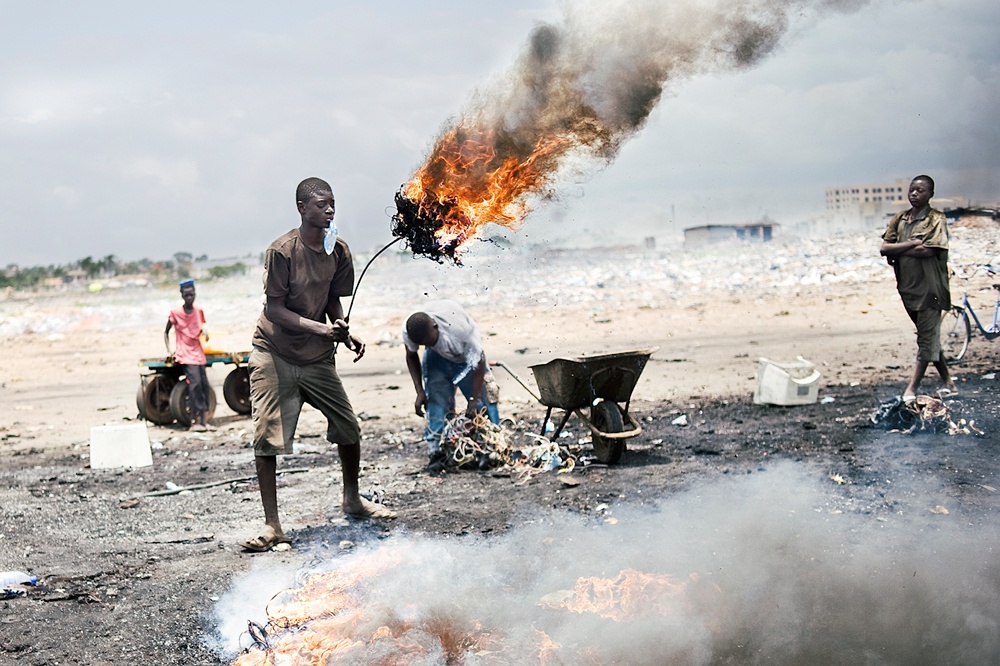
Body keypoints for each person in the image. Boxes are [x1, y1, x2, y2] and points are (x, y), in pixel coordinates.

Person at [241, 177, 395, 553]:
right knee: (267, 439)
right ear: (302, 208)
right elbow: (274, 310)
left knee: (349, 427)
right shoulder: (282, 251)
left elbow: (331, 301)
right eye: (321, 204)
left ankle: (352, 500)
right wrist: (322, 330)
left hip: (317, 356)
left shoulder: (338, 249)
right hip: (274, 352)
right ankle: (272, 524)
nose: (329, 210)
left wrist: (341, 328)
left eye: (332, 204)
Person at [879, 174, 958, 401]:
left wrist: (899, 249)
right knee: (929, 336)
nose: (914, 193)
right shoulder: (900, 219)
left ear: (930, 194)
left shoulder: (936, 219)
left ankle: (911, 389)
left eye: (920, 190)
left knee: (925, 338)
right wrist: (912, 243)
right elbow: (885, 248)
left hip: (931, 289)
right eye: (912, 189)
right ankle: (949, 383)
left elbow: (930, 250)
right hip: (908, 289)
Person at [403, 300, 500, 471]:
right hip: (437, 360)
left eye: (430, 341)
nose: (428, 345)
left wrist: (472, 398)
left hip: (467, 359)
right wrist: (419, 391)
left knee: (482, 404)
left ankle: (492, 446)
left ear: (435, 326)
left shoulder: (460, 332)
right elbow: (411, 356)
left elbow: (479, 360)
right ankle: (437, 451)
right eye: (424, 344)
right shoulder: (410, 331)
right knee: (436, 402)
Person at [165, 279, 213, 431]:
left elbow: (203, 331)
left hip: (198, 353)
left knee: (204, 385)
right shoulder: (175, 313)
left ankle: (205, 422)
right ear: (182, 295)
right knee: (195, 385)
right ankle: (194, 421)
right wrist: (169, 350)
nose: (189, 298)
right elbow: (165, 332)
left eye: (191, 295)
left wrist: (205, 333)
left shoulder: (199, 311)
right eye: (186, 295)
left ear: (195, 294)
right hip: (185, 353)